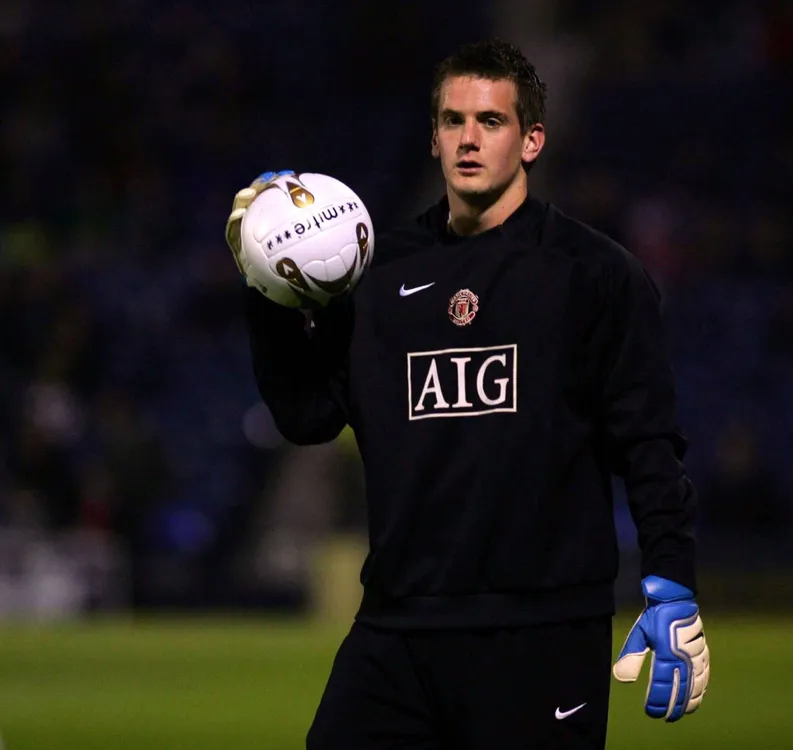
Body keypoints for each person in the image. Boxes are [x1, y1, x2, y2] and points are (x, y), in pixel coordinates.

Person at [227, 38, 709, 750]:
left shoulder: (594, 275)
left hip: (541, 631)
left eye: (491, 121)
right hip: (398, 628)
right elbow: (307, 417)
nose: (469, 139)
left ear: (533, 139)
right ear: (433, 137)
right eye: (454, 121)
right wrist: (265, 283)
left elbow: (647, 444)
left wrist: (672, 580)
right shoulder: (375, 277)